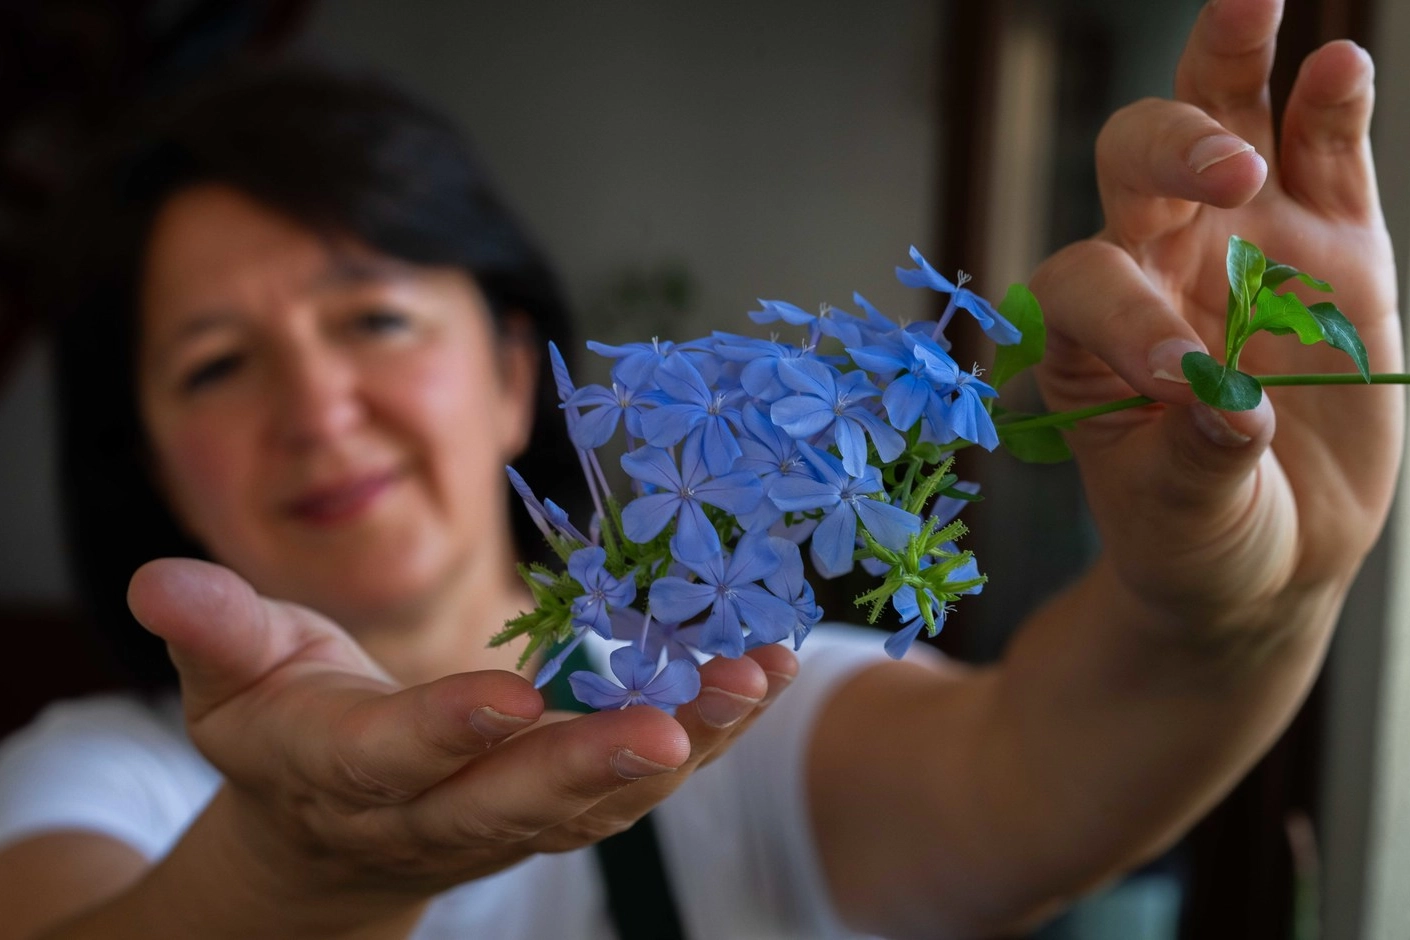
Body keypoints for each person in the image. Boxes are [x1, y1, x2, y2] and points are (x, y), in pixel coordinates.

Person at [0, 0, 1401, 936]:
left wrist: (1244, 615)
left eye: (371, 317)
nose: (316, 404)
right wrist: (275, 877)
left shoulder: (750, 721)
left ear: (508, 370)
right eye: (214, 363)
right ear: (140, 447)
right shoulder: (97, 783)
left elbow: (1051, 758)